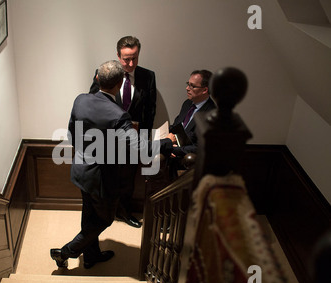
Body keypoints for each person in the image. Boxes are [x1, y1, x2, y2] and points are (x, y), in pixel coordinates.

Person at [50, 60, 175, 269]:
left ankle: (91, 256)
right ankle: (65, 252)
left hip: (81, 170)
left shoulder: (80, 100)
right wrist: (165, 142)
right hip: (102, 178)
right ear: (119, 84)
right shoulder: (119, 115)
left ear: (97, 79)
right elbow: (140, 149)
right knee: (103, 220)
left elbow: (72, 135)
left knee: (89, 214)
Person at [89, 36, 157, 228]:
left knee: (128, 180)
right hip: (107, 140)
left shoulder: (148, 76)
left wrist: (144, 139)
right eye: (126, 58)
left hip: (133, 141)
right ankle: (106, 213)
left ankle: (125, 212)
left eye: (134, 58)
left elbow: (150, 110)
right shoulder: (104, 74)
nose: (130, 63)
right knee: (107, 178)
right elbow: (94, 103)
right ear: (118, 56)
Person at [170, 70, 217, 160]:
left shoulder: (211, 113)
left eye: (192, 86)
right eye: (188, 84)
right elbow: (177, 125)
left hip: (189, 156)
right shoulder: (187, 103)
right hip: (175, 147)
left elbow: (199, 147)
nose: (187, 88)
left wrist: (173, 149)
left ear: (205, 90)